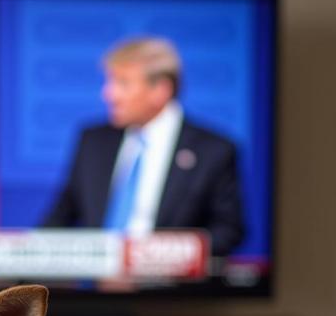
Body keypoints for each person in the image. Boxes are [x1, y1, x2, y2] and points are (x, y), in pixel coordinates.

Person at [43, 37, 245, 257]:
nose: (109, 94)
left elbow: (228, 231)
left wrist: (157, 257)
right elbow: (59, 220)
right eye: (110, 82)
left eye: (123, 83)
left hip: (172, 289)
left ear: (161, 90)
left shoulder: (213, 151)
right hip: (97, 288)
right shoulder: (92, 141)